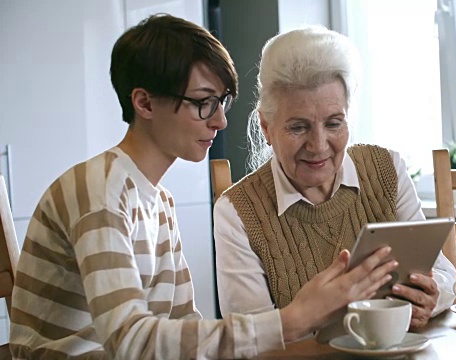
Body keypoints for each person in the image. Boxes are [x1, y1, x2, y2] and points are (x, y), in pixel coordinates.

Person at [9, 15, 398, 359]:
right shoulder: (99, 190)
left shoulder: (157, 199)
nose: (220, 122)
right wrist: (291, 320)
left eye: (222, 103)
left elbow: (182, 330)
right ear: (144, 103)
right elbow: (131, 343)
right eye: (202, 103)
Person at [213, 26, 456, 334]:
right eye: (299, 127)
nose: (318, 145)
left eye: (333, 123)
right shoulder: (237, 212)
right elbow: (251, 339)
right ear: (265, 126)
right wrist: (313, 313)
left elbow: (443, 273)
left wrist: (431, 298)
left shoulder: (387, 170)